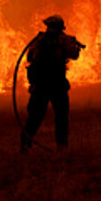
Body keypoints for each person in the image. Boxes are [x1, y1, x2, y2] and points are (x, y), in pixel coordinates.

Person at [21, 14, 84, 152]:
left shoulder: (39, 40)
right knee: (61, 116)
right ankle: (61, 146)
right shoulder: (64, 40)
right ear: (61, 27)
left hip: (40, 85)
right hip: (57, 84)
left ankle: (25, 143)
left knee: (35, 116)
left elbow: (30, 57)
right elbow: (74, 54)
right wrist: (75, 46)